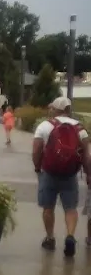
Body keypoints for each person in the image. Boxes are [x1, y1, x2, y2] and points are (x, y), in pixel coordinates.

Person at [32, 96, 91, 257]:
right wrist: (88, 174)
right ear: (68, 110)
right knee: (70, 208)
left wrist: (38, 168)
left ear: (55, 109)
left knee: (48, 207)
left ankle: (50, 238)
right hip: (70, 174)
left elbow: (36, 150)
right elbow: (87, 155)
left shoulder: (44, 126)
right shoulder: (80, 129)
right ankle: (70, 236)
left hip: (49, 172)